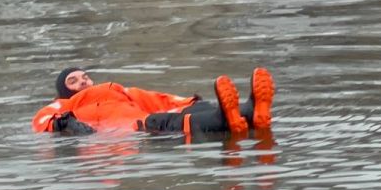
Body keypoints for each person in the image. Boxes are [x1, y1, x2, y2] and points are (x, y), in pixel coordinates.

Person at [31, 67, 276, 137]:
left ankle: (250, 110)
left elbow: (154, 98)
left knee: (194, 109)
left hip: (139, 113)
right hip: (131, 126)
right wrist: (65, 124)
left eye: (85, 77)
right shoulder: (64, 105)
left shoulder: (116, 90)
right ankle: (226, 117)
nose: (83, 82)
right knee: (166, 121)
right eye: (74, 81)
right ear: (64, 90)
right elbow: (42, 120)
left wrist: (188, 101)